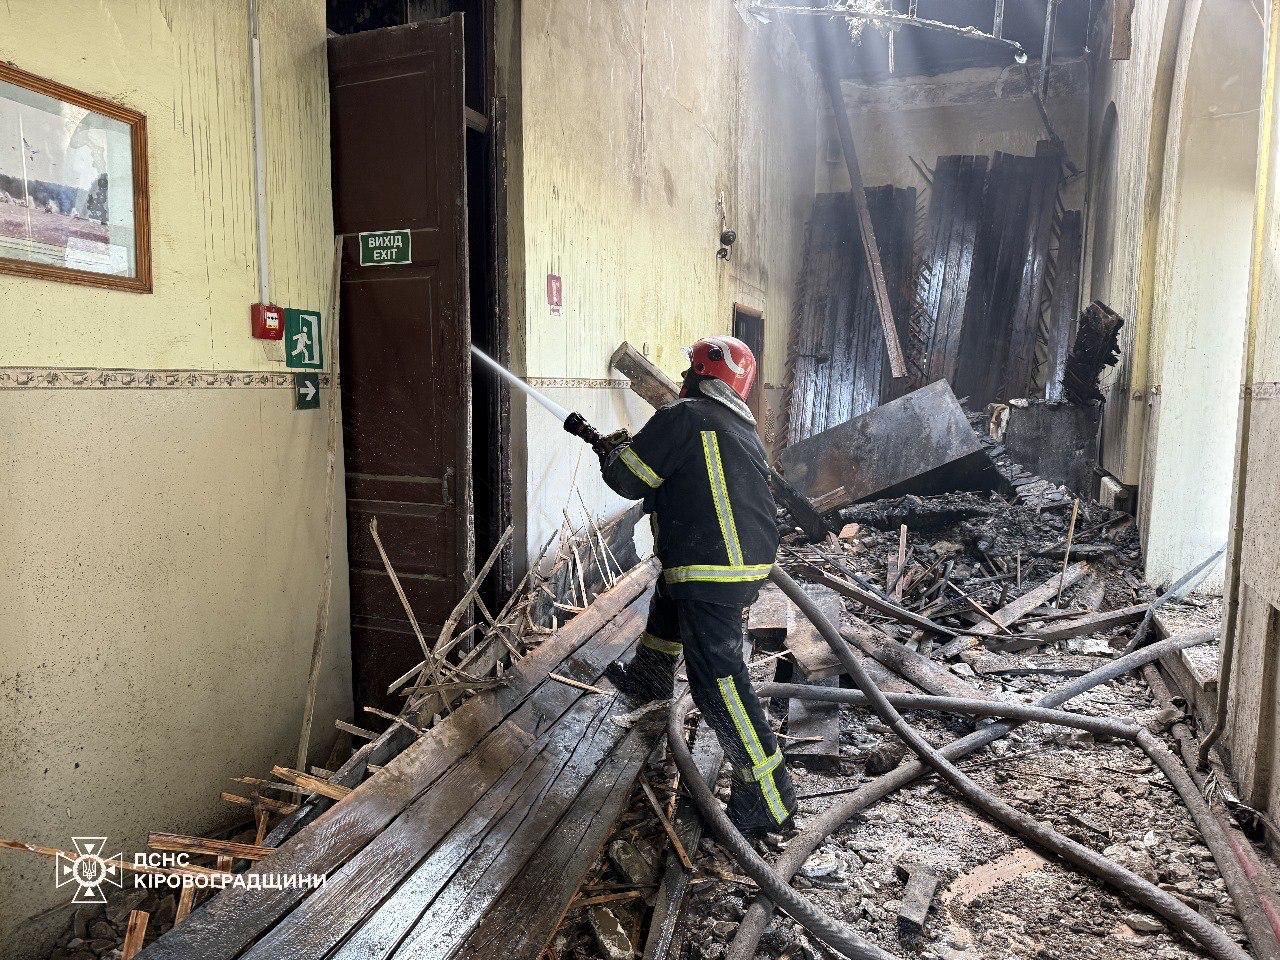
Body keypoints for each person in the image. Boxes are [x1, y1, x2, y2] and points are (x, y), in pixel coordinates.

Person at [597, 335, 796, 836]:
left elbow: (629, 479)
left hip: (714, 567)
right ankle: (650, 680)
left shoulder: (685, 416)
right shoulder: (735, 424)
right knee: (669, 599)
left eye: (691, 368)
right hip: (727, 559)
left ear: (706, 374)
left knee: (718, 682)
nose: (684, 376)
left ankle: (768, 798)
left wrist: (614, 450)